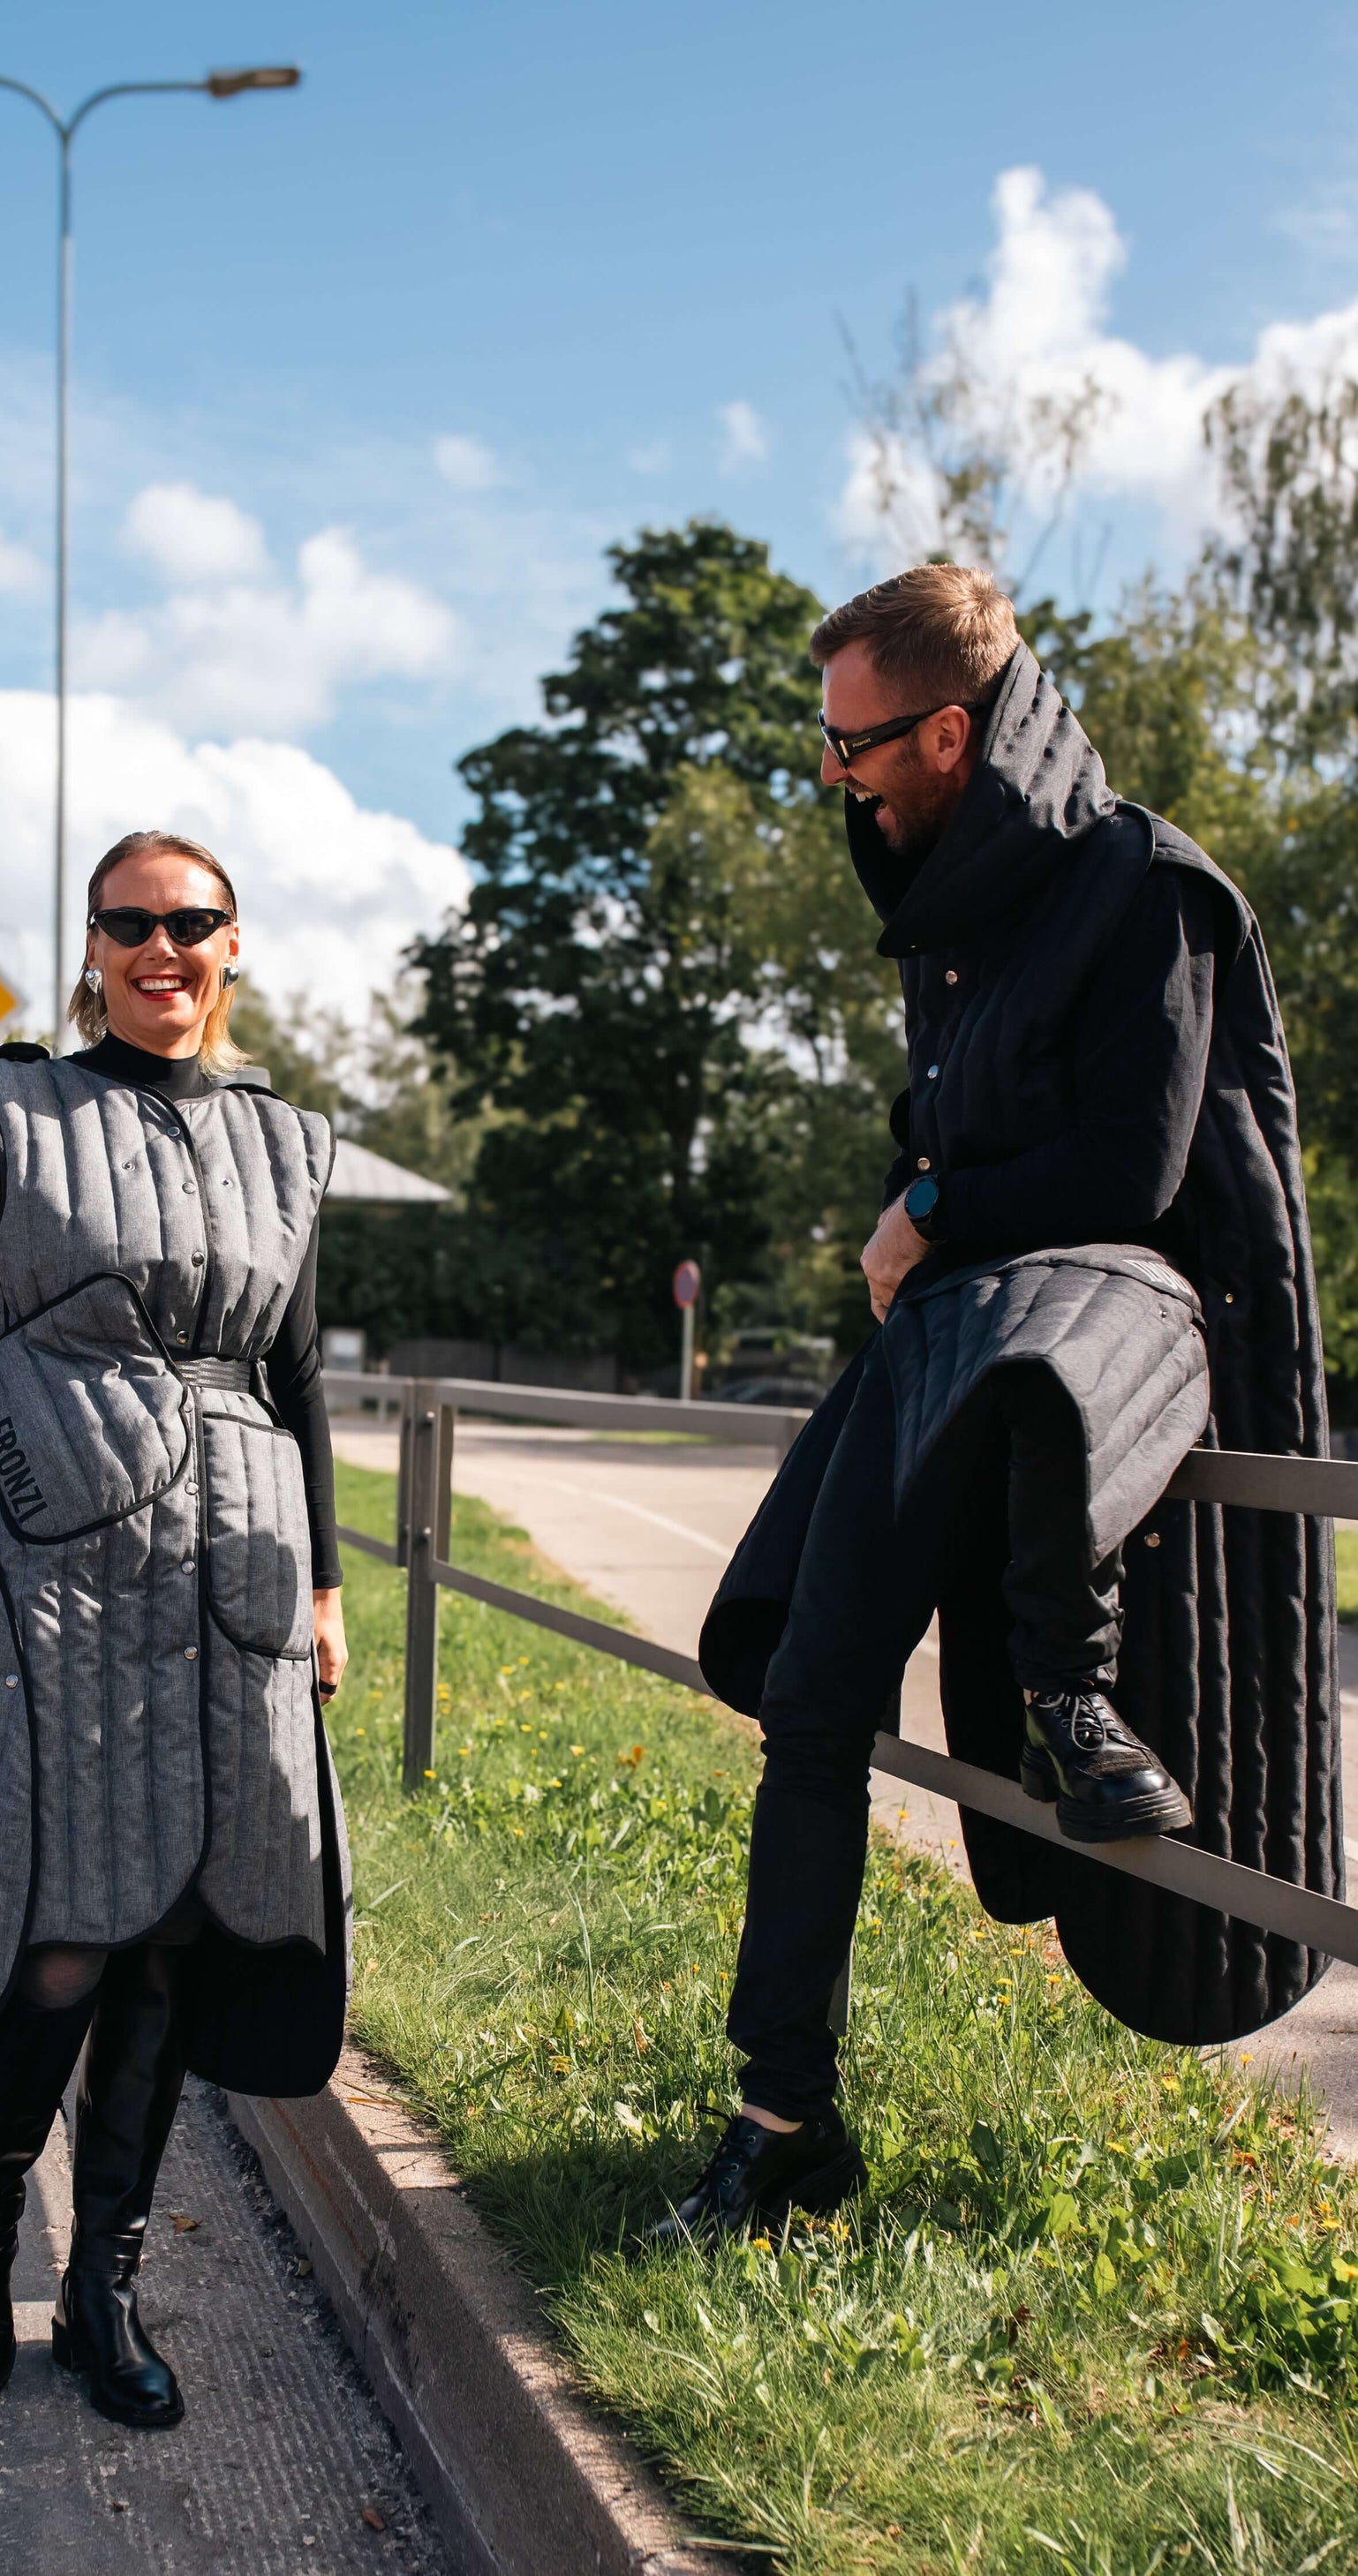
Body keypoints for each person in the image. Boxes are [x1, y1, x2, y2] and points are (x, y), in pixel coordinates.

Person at [661, 564, 1339, 2246]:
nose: (835, 775)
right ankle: (781, 2120)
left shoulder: (1147, 889)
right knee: (808, 1696)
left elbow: (1130, 1168)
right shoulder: (950, 906)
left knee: (1034, 1395)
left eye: (853, 743)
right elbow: (947, 1125)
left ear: (950, 733)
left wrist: (934, 1208)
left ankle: (1068, 1696)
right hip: (943, 1340)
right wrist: (922, 1190)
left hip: (1090, 1346)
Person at [0, 827, 351, 2427]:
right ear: (91, 947)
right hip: (47, 1560)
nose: (160, 948)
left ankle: (105, 2286)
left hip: (233, 1561)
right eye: (129, 924)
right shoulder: (5, 1113)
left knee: (181, 1925)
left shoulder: (284, 1139)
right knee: (60, 1927)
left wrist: (327, 1584)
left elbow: (295, 1370)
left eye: (190, 921)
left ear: (232, 942)